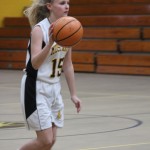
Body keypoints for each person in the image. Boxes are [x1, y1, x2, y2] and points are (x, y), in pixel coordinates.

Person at [19, 0, 81, 150]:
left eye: (68, 2)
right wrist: (50, 43)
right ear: (49, 6)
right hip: (36, 87)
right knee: (45, 141)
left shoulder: (69, 28)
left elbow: (68, 64)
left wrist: (73, 94)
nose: (66, 6)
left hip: (54, 88)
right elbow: (34, 64)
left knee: (51, 141)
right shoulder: (39, 30)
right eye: (61, 2)